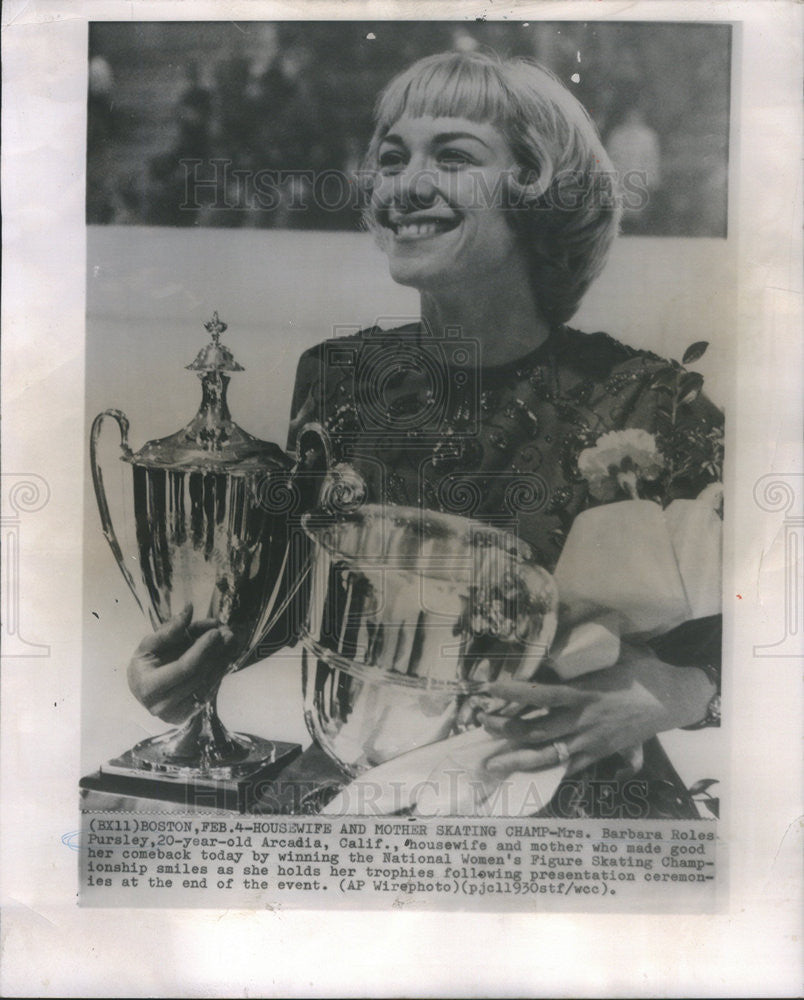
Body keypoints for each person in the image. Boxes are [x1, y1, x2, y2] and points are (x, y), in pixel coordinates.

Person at [127, 51, 723, 819]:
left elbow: (759, 640)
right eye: (391, 158)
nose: (403, 186)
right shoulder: (338, 378)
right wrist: (187, 671)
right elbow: (298, 604)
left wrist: (671, 690)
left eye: (453, 156)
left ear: (537, 186)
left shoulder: (653, 398)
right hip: (360, 786)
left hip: (567, 811)